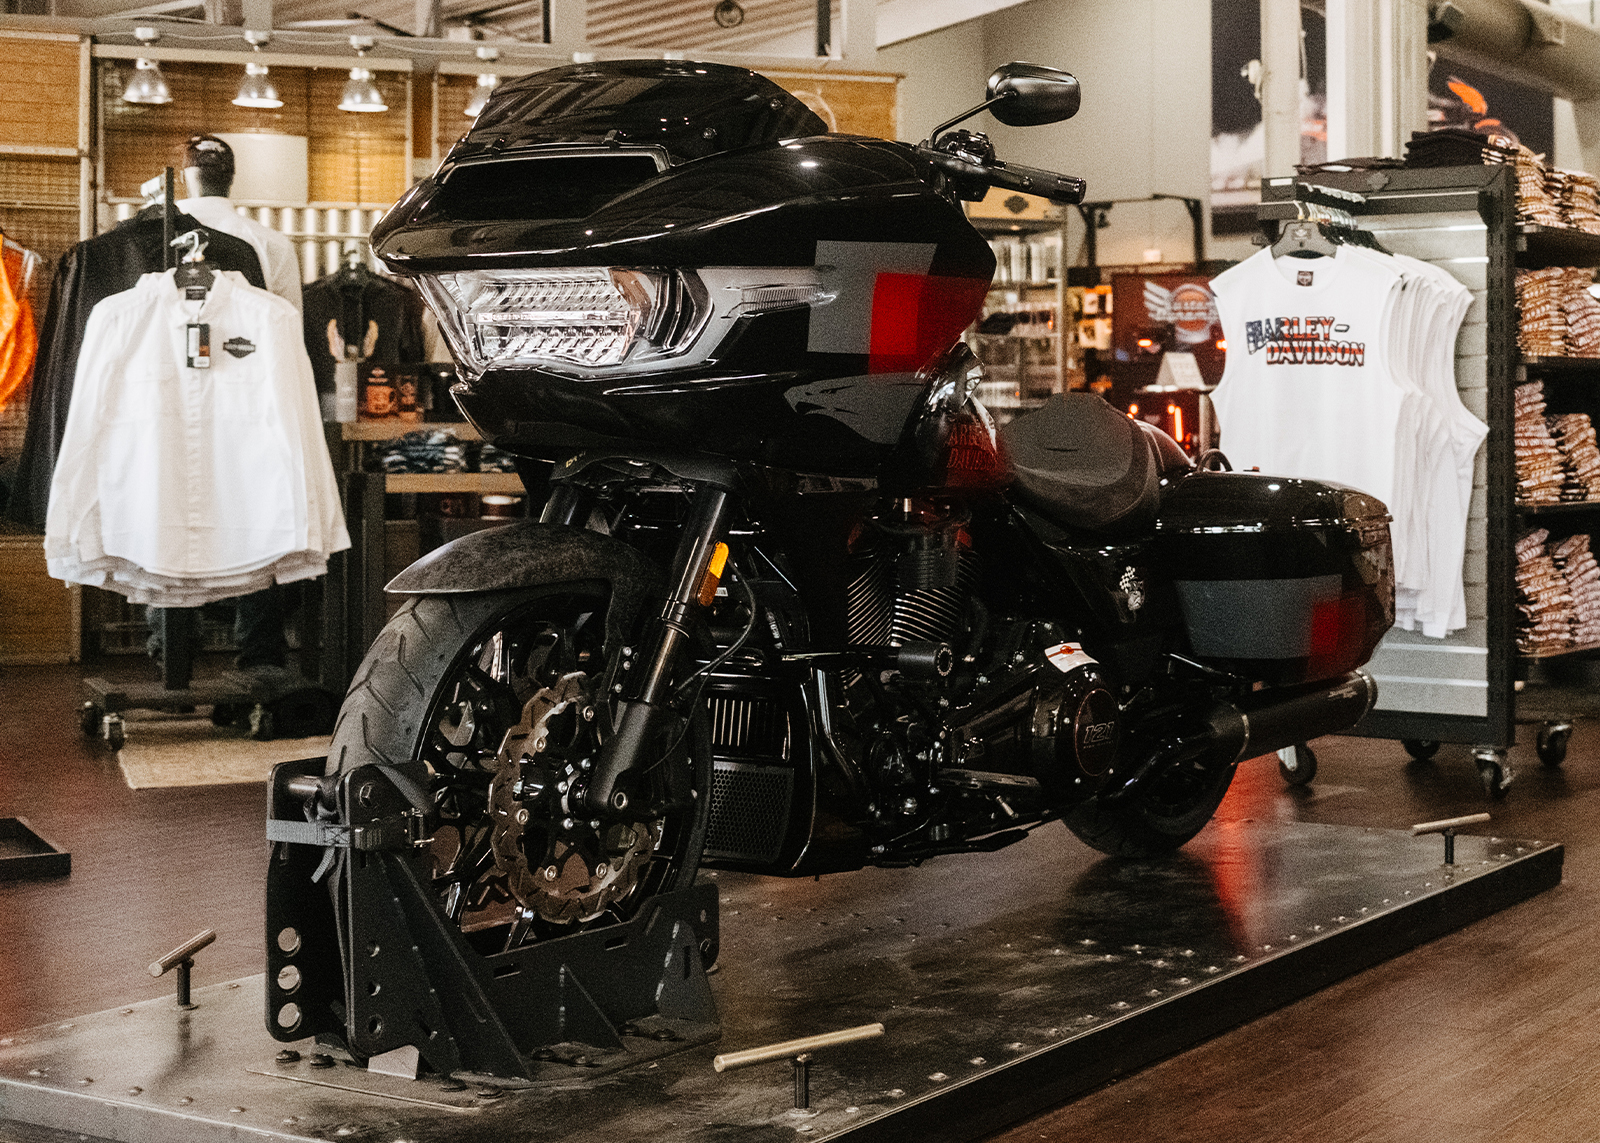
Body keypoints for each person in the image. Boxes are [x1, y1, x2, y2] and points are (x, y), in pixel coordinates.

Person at [148, 134, 306, 674]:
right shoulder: (270, 243)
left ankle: (169, 646)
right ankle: (258, 651)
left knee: (164, 510)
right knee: (249, 516)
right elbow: (288, 337)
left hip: (162, 399)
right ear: (231, 178)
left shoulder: (149, 236)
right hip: (246, 401)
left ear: (186, 174)